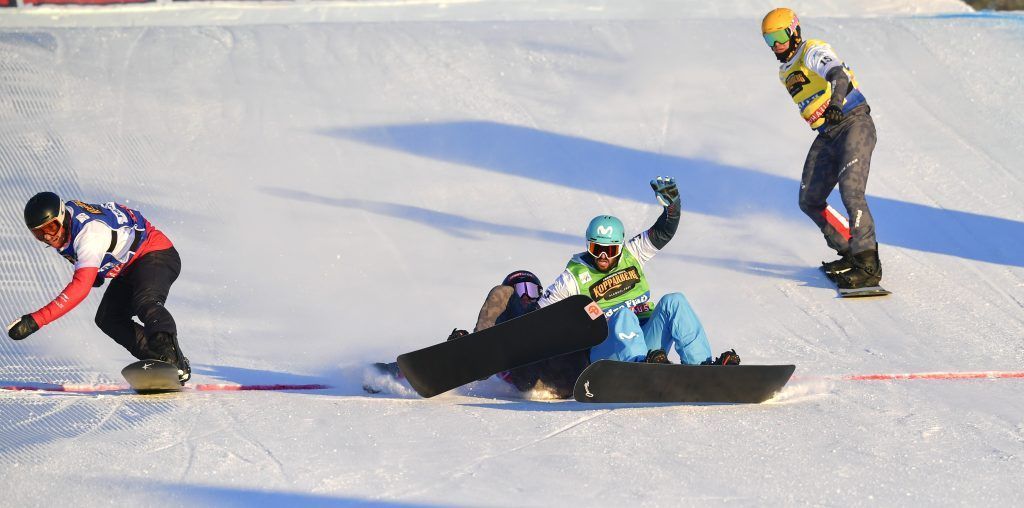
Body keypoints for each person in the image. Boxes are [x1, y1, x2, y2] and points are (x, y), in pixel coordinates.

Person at [538, 177, 738, 367]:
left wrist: (672, 208)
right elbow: (538, 315)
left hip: (647, 345)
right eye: (597, 249)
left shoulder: (632, 253)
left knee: (674, 301)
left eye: (610, 250)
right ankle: (638, 367)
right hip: (608, 351)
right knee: (623, 315)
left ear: (620, 247)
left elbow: (662, 232)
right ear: (588, 245)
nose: (603, 257)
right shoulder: (572, 277)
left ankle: (702, 366)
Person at [5, 192, 191, 384]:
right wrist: (97, 272)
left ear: (62, 216)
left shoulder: (89, 234)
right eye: (39, 233)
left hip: (155, 253)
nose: (49, 237)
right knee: (107, 318)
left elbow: (80, 288)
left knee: (146, 301)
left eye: (51, 227)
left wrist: (36, 320)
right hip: (129, 266)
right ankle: (159, 360)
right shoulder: (66, 228)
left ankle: (172, 360)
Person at [761, 7, 882, 289]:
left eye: (779, 36)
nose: (776, 45)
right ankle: (850, 251)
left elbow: (838, 74)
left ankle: (868, 263)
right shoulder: (785, 71)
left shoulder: (811, 51)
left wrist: (837, 104)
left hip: (853, 122)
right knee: (809, 199)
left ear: (793, 31)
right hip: (828, 133)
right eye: (769, 40)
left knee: (852, 192)